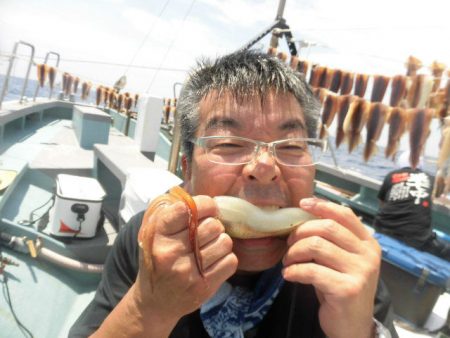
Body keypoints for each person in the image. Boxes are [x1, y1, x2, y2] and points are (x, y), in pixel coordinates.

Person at [70, 50, 398, 338]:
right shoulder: (151, 242)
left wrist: (358, 331)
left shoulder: (343, 261)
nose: (265, 166)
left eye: (291, 145)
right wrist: (148, 306)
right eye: (228, 143)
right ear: (187, 168)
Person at [374, 151, 450, 261]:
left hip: (382, 229)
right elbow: (437, 196)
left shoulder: (391, 175)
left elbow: (381, 204)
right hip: (417, 238)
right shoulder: (430, 178)